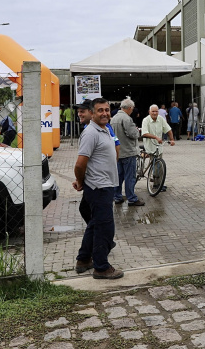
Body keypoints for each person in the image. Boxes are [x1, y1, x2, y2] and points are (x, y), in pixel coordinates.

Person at [72, 98, 124, 280]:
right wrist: (80, 181)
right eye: (100, 110)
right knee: (105, 228)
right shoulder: (91, 133)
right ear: (92, 113)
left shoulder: (103, 130)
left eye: (107, 110)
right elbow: (80, 164)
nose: (105, 113)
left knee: (95, 224)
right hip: (99, 187)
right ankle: (101, 267)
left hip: (105, 185)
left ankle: (84, 260)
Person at [111, 97, 143, 207]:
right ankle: (132, 198)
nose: (132, 110)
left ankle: (117, 196)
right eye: (132, 109)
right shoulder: (126, 119)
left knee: (119, 176)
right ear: (129, 108)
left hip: (118, 152)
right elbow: (133, 134)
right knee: (130, 176)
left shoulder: (114, 118)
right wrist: (137, 131)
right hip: (128, 151)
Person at [141, 105, 175, 192]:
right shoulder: (146, 120)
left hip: (159, 147)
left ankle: (158, 184)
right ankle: (156, 184)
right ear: (149, 112)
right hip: (150, 145)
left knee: (159, 166)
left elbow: (168, 129)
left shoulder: (161, 119)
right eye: (153, 111)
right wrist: (155, 137)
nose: (155, 113)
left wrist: (171, 139)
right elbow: (144, 133)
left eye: (156, 111)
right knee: (156, 166)